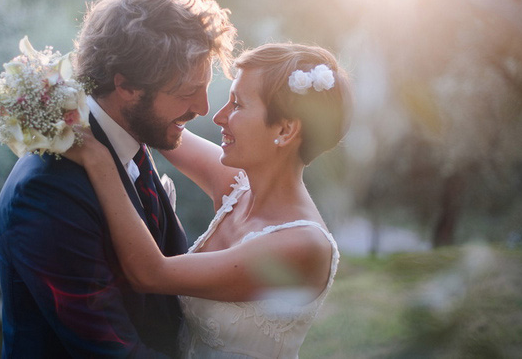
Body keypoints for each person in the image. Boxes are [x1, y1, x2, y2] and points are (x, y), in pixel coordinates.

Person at [0, 0, 236, 358]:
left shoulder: (130, 137)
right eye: (187, 91)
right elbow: (111, 351)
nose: (203, 108)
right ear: (126, 86)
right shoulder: (45, 193)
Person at [65, 43, 353, 358]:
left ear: (285, 130)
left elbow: (150, 273)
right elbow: (156, 125)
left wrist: (97, 159)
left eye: (237, 105)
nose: (218, 116)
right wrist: (60, 89)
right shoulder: (237, 186)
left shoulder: (302, 245)